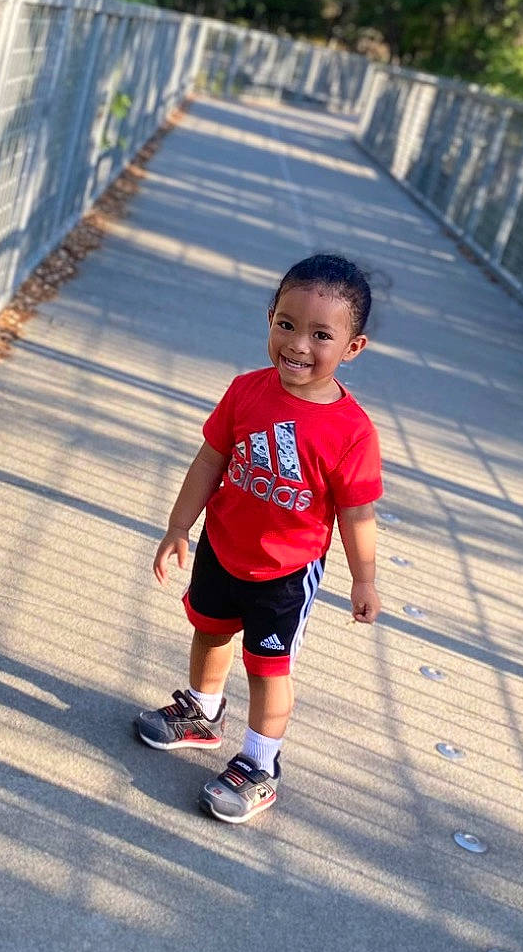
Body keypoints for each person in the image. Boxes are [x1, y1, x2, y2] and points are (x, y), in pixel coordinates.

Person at [138, 252, 383, 823]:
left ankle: (261, 763)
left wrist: (364, 579)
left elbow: (356, 512)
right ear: (270, 317)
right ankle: (202, 710)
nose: (298, 344)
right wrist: (180, 527)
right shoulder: (247, 390)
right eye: (287, 325)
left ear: (352, 348)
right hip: (223, 547)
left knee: (268, 670)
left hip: (285, 572)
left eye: (321, 334)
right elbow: (210, 459)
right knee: (209, 630)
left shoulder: (352, 431)